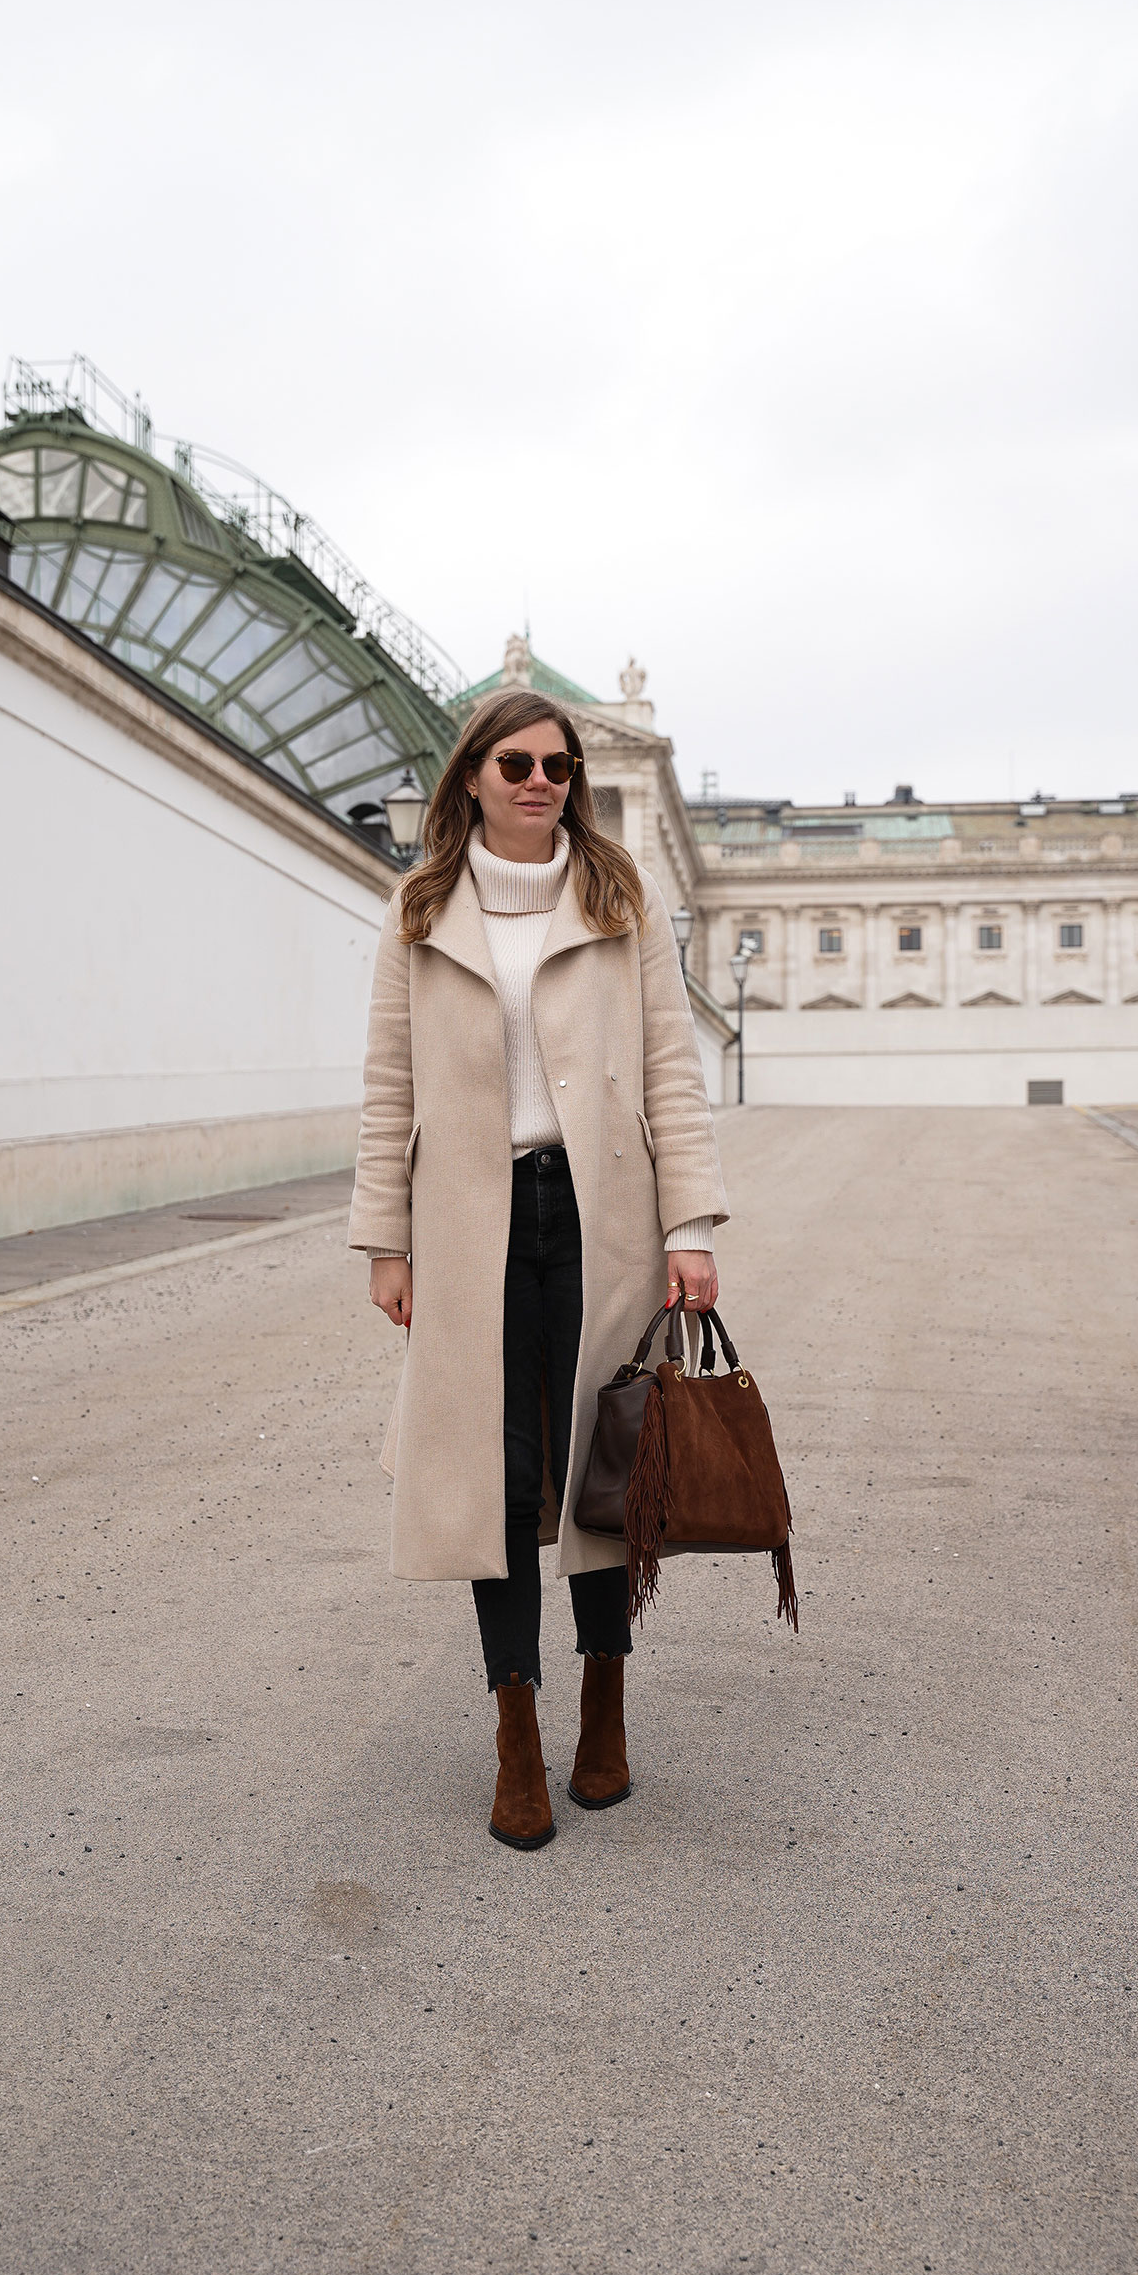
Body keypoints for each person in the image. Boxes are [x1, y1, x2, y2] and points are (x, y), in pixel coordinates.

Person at [348, 688, 727, 1850]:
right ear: (471, 774)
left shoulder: (620, 899)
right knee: (495, 1478)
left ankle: (601, 1704)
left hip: (599, 1212)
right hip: (470, 1221)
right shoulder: (418, 910)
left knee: (605, 1466)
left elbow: (670, 1069)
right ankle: (516, 1729)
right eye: (515, 762)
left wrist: (691, 1225)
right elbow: (386, 1087)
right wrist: (385, 1238)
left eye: (558, 766)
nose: (539, 781)